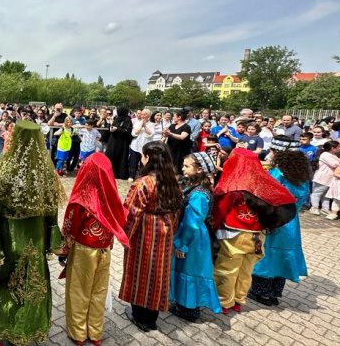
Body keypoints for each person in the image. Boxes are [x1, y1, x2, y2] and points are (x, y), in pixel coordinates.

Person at [0, 120, 65, 345]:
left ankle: (3, 326)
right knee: (33, 280)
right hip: (36, 236)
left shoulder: (6, 169)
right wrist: (53, 238)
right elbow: (52, 215)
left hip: (9, 236)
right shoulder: (48, 174)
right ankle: (30, 324)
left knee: (7, 279)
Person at [211, 149, 296, 315]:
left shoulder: (233, 186)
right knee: (246, 270)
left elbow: (219, 212)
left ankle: (224, 301)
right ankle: (238, 300)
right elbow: (285, 199)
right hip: (257, 236)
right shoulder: (263, 184)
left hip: (233, 235)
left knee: (227, 269)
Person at [60, 152, 129, 345]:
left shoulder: (81, 197)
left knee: (79, 291)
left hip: (84, 249)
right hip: (104, 250)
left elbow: (70, 226)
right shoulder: (111, 196)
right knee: (98, 291)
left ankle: (78, 333)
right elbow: (117, 221)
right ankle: (95, 333)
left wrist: (64, 250)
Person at [119, 141, 183, 332]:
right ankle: (152, 318)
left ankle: (140, 317)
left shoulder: (143, 183)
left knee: (140, 273)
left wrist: (125, 237)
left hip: (144, 233)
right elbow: (177, 211)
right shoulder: (173, 182)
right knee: (158, 275)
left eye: (143, 155)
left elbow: (130, 213)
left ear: (148, 158)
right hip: (165, 232)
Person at [249, 136, 311, 306]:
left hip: (274, 221)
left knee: (268, 253)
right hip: (291, 221)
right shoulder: (302, 175)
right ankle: (275, 293)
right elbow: (302, 197)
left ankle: (260, 292)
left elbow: (265, 197)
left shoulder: (277, 173)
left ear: (277, 152)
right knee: (283, 254)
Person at [169, 153, 222, 322]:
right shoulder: (196, 187)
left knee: (189, 270)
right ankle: (186, 305)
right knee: (189, 270)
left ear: (199, 169)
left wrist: (181, 244)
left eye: (187, 166)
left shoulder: (198, 194)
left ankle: (189, 309)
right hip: (194, 236)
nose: (183, 169)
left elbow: (192, 223)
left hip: (193, 239)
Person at [309, 141, 340, 215]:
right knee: (317, 193)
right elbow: (335, 164)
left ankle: (325, 208)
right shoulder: (325, 155)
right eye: (338, 147)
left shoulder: (334, 155)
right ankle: (314, 207)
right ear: (332, 148)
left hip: (330, 179)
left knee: (326, 195)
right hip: (322, 178)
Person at [105, 107, 133, 179]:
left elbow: (127, 132)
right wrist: (110, 128)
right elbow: (113, 126)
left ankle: (120, 173)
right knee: (110, 155)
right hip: (113, 140)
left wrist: (117, 129)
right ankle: (110, 172)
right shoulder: (117, 119)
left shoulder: (128, 120)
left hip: (122, 142)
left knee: (121, 157)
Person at [128, 109, 153, 180]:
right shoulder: (137, 123)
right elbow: (134, 133)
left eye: (144, 114)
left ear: (148, 116)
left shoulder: (152, 124)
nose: (143, 116)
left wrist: (145, 126)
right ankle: (131, 176)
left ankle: (142, 177)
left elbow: (150, 134)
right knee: (133, 161)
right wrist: (141, 125)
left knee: (144, 163)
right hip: (135, 145)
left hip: (145, 146)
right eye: (142, 114)